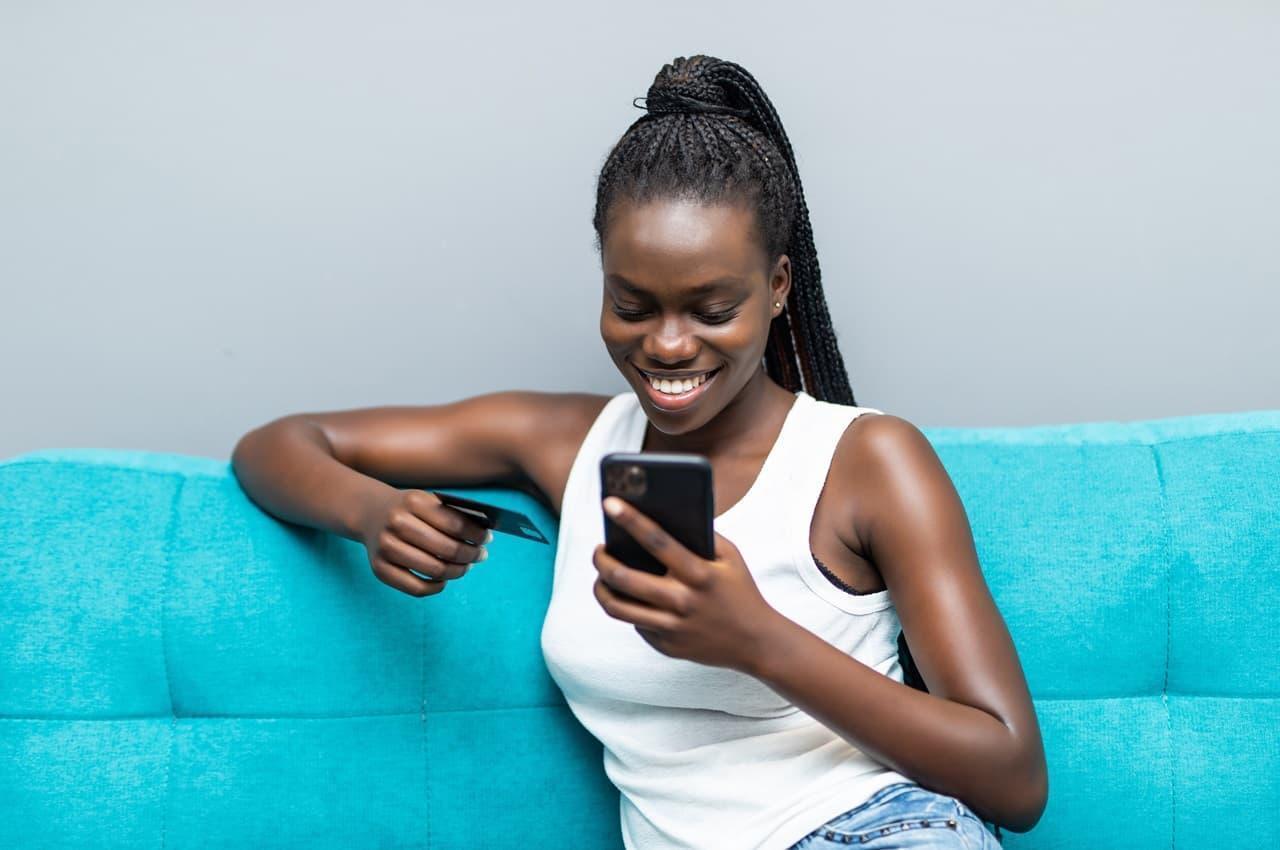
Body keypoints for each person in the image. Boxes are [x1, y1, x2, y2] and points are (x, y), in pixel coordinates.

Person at [232, 54, 1046, 850]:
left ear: (779, 288)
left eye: (711, 308)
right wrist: (369, 511)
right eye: (631, 305)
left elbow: (1014, 778)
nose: (666, 345)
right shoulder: (566, 444)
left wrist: (757, 639)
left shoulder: (869, 460)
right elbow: (275, 447)